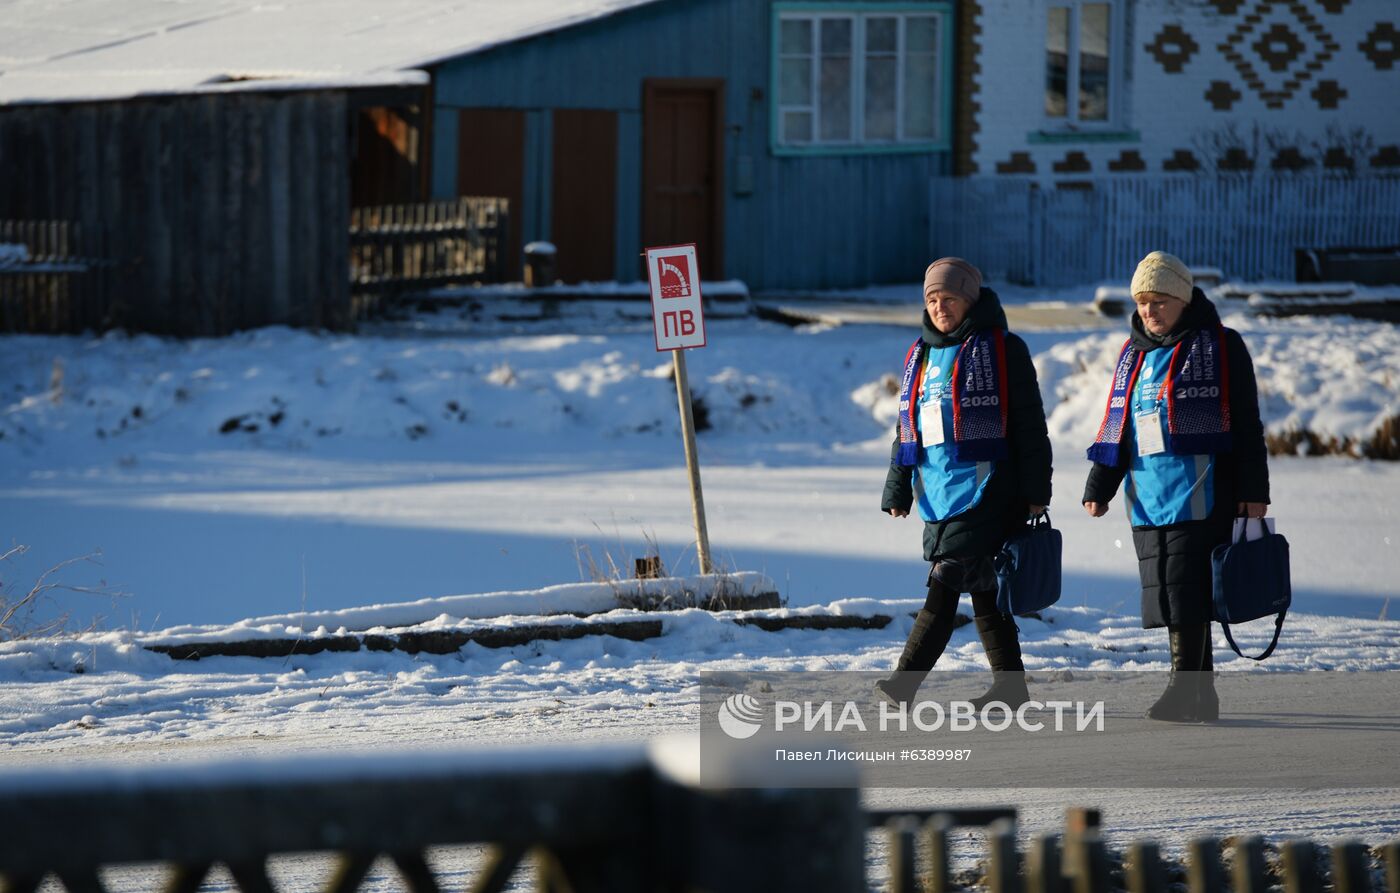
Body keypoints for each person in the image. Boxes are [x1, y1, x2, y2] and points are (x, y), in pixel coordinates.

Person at [1082, 250, 1270, 723]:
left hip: (1202, 489)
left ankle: (1182, 690)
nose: (1150, 311)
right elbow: (1118, 427)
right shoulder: (1133, 356)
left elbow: (1247, 424)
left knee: (1187, 591)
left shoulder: (1222, 346)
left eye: (1160, 301)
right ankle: (1201, 695)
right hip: (1147, 495)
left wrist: (1253, 490)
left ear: (1183, 300)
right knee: (1168, 592)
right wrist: (1099, 486)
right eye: (1143, 302)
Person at [877, 257, 1053, 709]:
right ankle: (1012, 687)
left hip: (988, 488)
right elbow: (907, 429)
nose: (940, 307)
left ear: (970, 300)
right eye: (932, 299)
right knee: (985, 589)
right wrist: (898, 487)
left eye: (949, 298)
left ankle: (904, 682)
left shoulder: (1004, 349)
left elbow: (1031, 427)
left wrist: (1036, 491)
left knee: (946, 579)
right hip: (937, 492)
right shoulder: (921, 355)